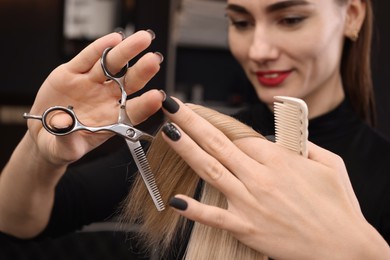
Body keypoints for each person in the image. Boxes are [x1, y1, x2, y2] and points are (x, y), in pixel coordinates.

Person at [0, 0, 389, 258]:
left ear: (352, 15)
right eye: (240, 22)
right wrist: (41, 152)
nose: (258, 50)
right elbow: (19, 220)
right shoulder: (194, 142)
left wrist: (359, 251)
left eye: (290, 19)